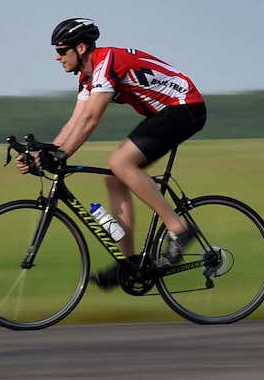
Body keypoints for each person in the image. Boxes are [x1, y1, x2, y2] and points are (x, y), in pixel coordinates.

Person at [16, 18, 208, 288]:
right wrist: (44, 153)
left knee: (120, 162)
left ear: (80, 48)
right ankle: (128, 264)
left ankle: (179, 229)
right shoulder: (87, 76)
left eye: (61, 51)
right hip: (164, 113)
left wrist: (60, 155)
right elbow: (75, 121)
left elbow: (92, 119)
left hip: (184, 107)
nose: (57, 57)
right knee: (114, 176)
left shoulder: (106, 62)